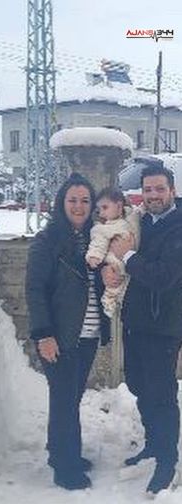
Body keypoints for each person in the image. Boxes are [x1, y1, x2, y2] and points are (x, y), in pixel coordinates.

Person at [25, 172, 110, 491]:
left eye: (85, 200)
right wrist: (43, 333)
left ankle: (59, 450)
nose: (79, 206)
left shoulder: (95, 238)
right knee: (63, 400)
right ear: (62, 203)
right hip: (58, 335)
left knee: (70, 398)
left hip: (86, 334)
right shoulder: (47, 241)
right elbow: (34, 289)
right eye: (72, 200)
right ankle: (65, 465)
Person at [105, 160, 182, 495]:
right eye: (148, 189)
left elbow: (165, 276)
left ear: (173, 191)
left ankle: (167, 461)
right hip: (136, 322)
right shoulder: (142, 223)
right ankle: (153, 444)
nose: (153, 195)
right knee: (139, 386)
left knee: (162, 395)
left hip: (164, 326)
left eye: (159, 189)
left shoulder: (178, 227)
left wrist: (129, 257)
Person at [85, 188, 141, 318]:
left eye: (105, 207)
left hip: (133, 262)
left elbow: (137, 216)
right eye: (99, 210)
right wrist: (94, 256)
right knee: (115, 284)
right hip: (114, 261)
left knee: (126, 286)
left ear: (119, 205)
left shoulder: (131, 217)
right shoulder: (102, 228)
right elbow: (98, 242)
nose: (102, 213)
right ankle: (110, 305)